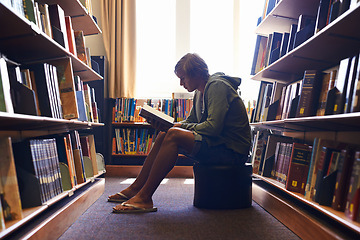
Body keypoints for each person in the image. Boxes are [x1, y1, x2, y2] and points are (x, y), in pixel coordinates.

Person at [108, 53, 252, 213]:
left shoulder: (217, 86)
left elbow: (213, 127)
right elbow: (191, 121)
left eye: (183, 78)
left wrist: (175, 127)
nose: (181, 83)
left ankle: (145, 197)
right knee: (165, 134)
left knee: (174, 134)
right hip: (217, 144)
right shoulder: (199, 93)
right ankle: (136, 188)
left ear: (197, 73)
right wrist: (168, 125)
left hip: (232, 151)